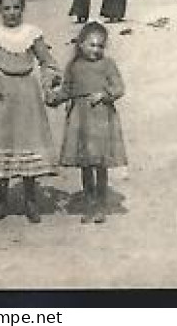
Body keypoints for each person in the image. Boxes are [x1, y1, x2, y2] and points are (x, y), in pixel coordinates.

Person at [0, 0, 61, 223]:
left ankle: (30, 201)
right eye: (6, 8)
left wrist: (48, 82)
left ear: (23, 9)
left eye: (16, 8)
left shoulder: (32, 33)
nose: (12, 13)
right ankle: (2, 201)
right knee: (2, 143)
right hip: (1, 97)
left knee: (27, 142)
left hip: (27, 96)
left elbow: (47, 62)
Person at [48, 22, 126, 224]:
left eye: (100, 46)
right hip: (80, 121)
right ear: (80, 44)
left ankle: (100, 204)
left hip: (100, 120)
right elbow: (67, 90)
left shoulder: (108, 64)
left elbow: (119, 87)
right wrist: (54, 98)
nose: (96, 50)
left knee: (100, 164)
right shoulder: (74, 66)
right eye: (92, 45)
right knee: (86, 166)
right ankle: (89, 203)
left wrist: (104, 94)